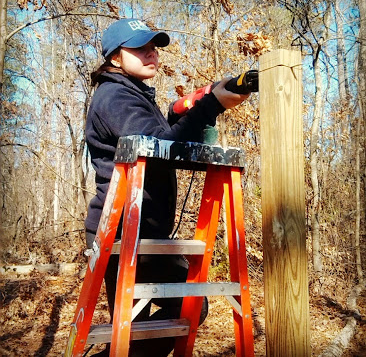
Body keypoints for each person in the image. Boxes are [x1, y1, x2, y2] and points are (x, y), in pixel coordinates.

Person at [85, 18, 249, 356]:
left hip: (148, 233)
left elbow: (162, 135)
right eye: (140, 48)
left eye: (154, 48)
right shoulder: (114, 96)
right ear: (115, 57)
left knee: (190, 306)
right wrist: (212, 104)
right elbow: (161, 146)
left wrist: (197, 105)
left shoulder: (134, 94)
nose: (152, 54)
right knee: (133, 331)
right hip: (120, 233)